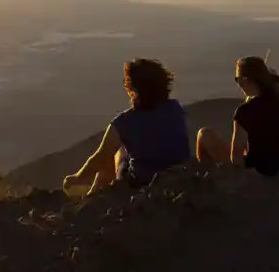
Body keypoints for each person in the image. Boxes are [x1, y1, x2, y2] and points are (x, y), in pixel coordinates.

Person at [63, 58, 190, 194]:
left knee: (111, 155)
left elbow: (98, 159)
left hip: (143, 182)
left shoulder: (124, 122)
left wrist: (77, 177)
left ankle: (92, 196)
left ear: (133, 89)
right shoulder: (175, 108)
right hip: (180, 175)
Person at [197, 56, 279, 176]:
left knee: (204, 134)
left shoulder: (245, 111)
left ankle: (205, 178)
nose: (238, 84)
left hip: (258, 173)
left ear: (246, 79)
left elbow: (236, 157)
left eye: (238, 79)